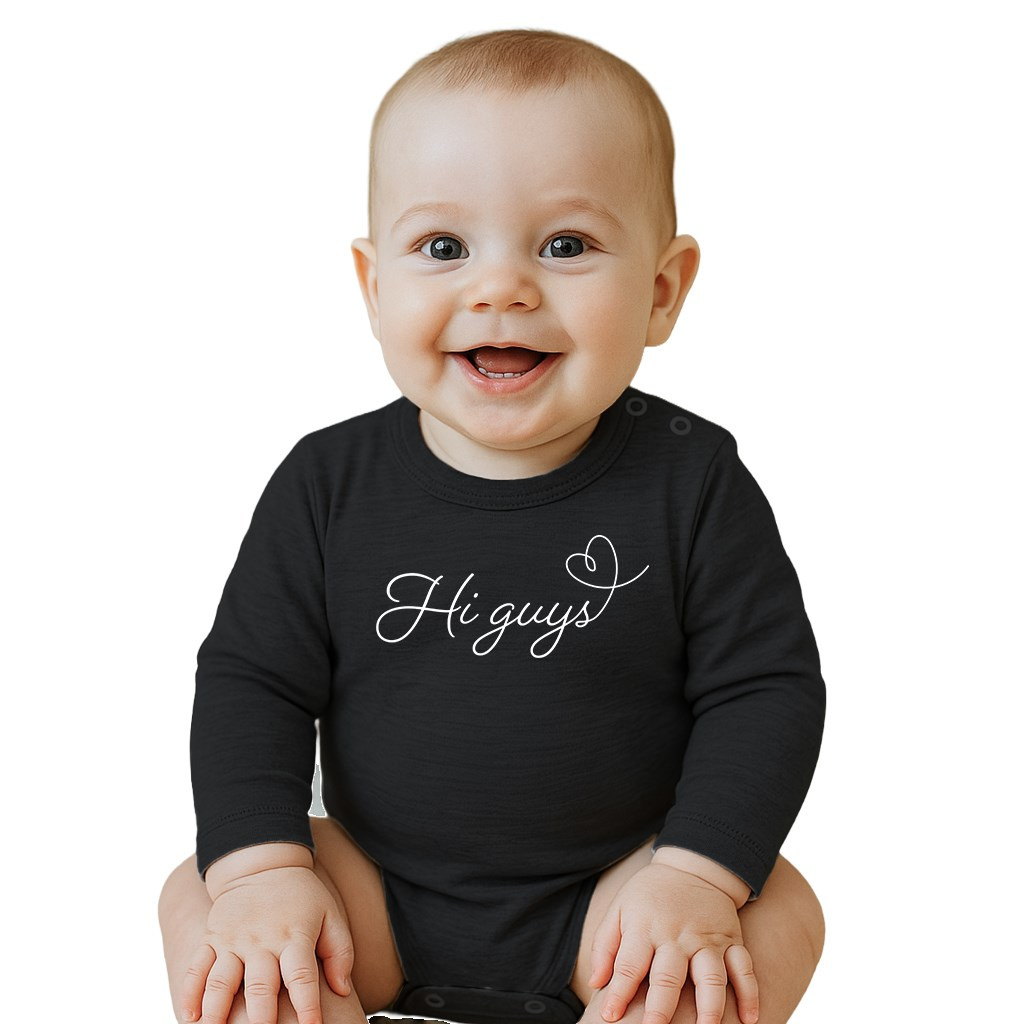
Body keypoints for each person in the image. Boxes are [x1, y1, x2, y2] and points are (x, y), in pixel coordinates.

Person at [159, 28, 826, 1024]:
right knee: (207, 899)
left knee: (781, 911)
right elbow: (253, 682)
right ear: (373, 287)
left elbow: (764, 690)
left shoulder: (694, 483)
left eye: (566, 245)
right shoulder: (326, 483)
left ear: (661, 291)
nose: (501, 287)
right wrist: (262, 872)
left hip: (622, 899)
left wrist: (694, 874)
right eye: (444, 248)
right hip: (372, 897)